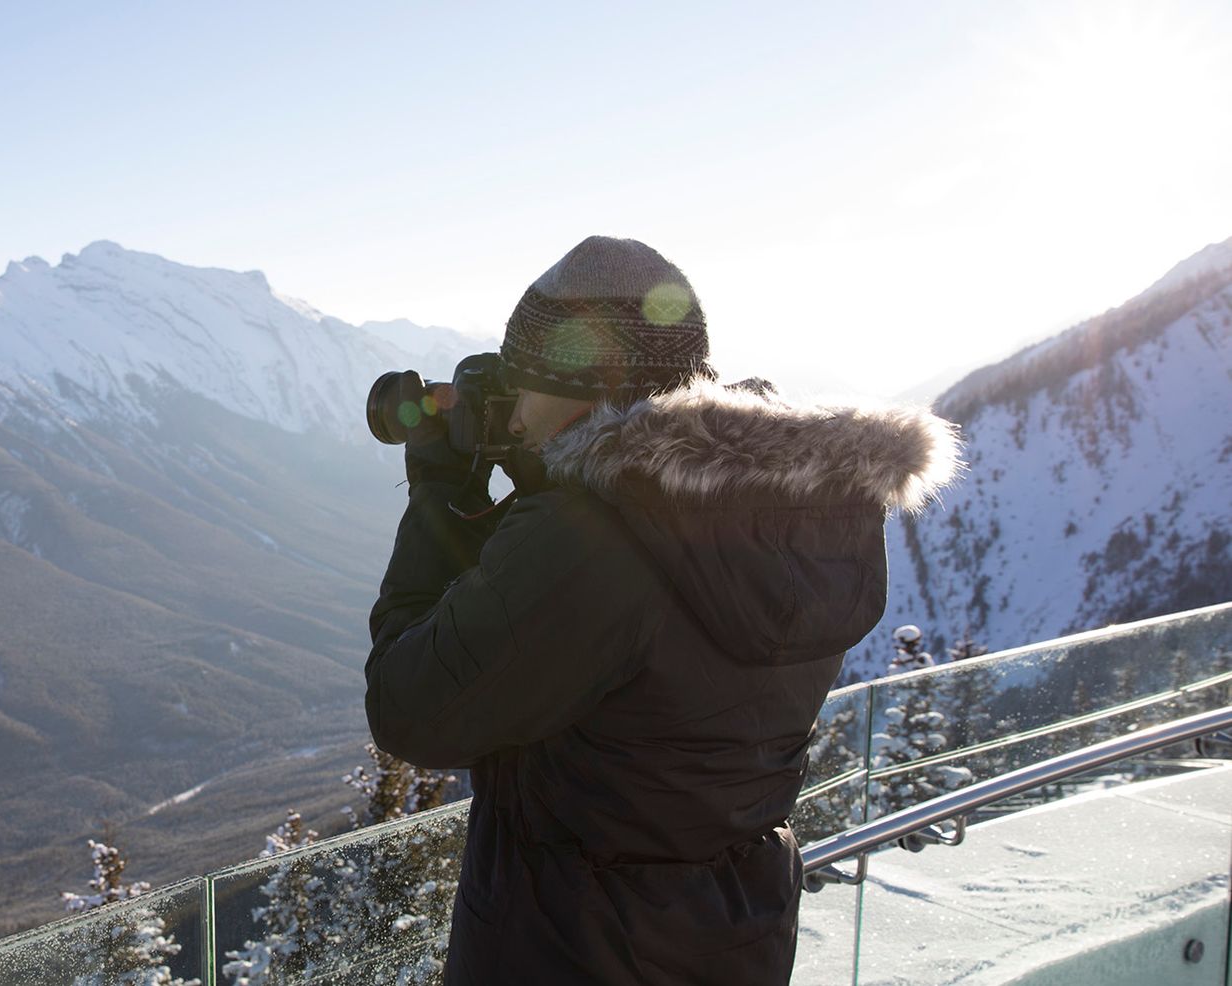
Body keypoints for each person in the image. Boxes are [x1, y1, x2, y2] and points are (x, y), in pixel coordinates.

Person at [364, 236, 961, 985]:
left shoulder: (591, 542)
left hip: (569, 950)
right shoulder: (798, 511)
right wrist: (559, 477)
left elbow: (407, 708)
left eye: (522, 387)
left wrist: (437, 498)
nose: (512, 418)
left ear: (583, 387)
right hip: (736, 936)